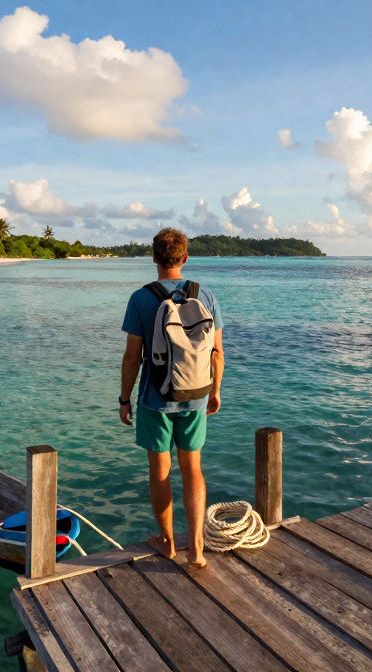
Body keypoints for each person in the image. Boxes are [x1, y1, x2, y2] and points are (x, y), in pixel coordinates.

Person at [119, 227, 223, 569]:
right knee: (193, 469)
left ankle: (167, 542)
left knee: (160, 471)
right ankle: (196, 548)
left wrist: (124, 398)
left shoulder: (141, 298)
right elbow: (217, 353)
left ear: (153, 258)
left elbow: (133, 357)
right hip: (196, 396)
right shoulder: (204, 295)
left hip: (155, 399)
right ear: (185, 258)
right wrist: (215, 390)